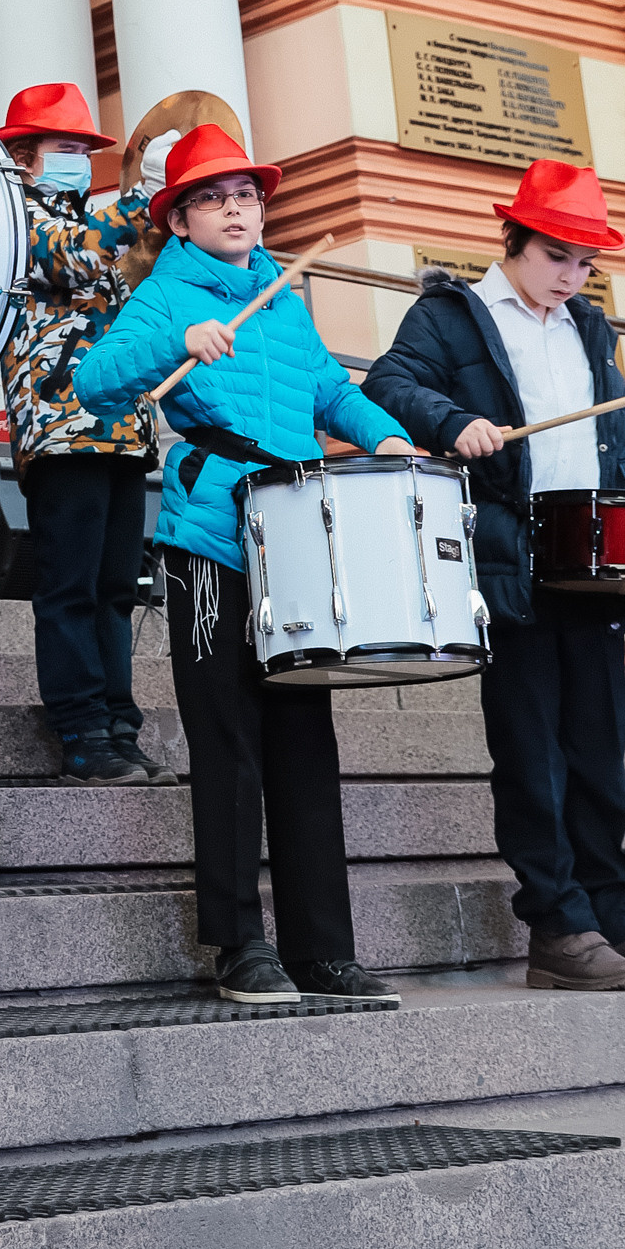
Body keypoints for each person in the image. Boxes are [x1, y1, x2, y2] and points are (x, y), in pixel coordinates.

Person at [70, 125, 416, 1006]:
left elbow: (328, 389)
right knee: (227, 743)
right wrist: (178, 340)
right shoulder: (163, 293)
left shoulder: (282, 295)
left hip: (296, 539)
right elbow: (95, 381)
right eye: (213, 199)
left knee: (305, 743)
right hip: (211, 541)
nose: (234, 210)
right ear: (180, 219)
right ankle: (238, 946)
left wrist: (384, 434)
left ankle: (322, 950)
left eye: (246, 197)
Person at [363, 159, 625, 996]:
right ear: (514, 240)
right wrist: (455, 421)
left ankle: (617, 917)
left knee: (598, 754)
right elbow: (387, 383)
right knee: (532, 753)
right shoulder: (453, 315)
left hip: (593, 563)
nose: (572, 275)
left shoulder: (588, 326)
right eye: (558, 256)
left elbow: (597, 430)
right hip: (512, 557)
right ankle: (558, 928)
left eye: (585, 262)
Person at [0, 83, 168, 785]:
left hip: (123, 426)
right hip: (60, 423)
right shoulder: (11, 212)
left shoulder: (94, 218)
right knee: (71, 586)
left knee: (116, 587)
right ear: (24, 156)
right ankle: (80, 728)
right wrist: (141, 200)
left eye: (84, 149)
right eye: (65, 147)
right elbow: (69, 259)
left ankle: (118, 724)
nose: (79, 160)